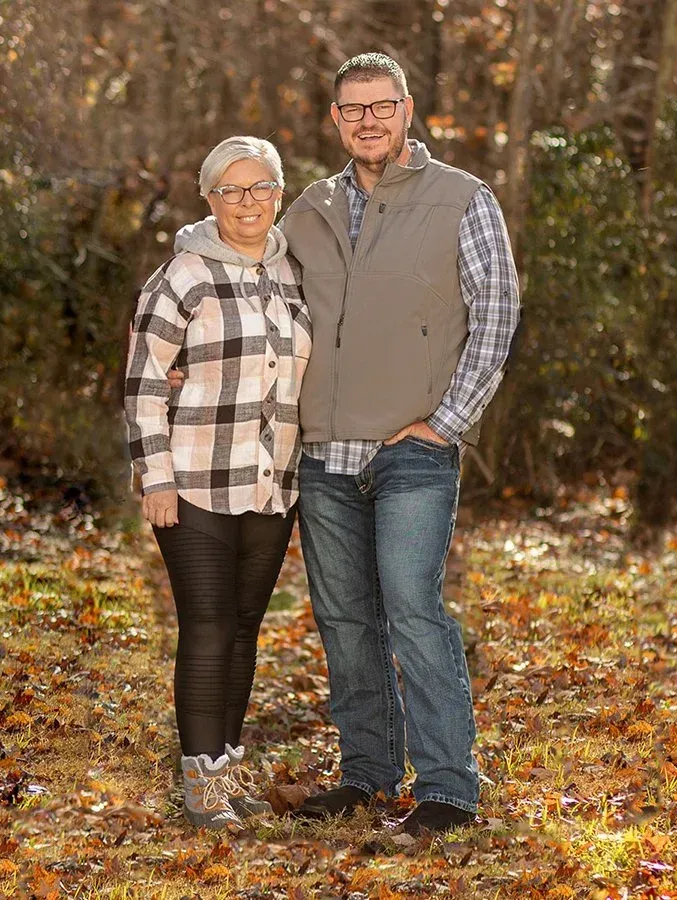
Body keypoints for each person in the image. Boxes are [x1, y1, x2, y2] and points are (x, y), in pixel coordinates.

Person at [279, 52, 521, 835]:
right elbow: (263, 305)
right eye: (353, 110)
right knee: (345, 619)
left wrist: (448, 422)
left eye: (381, 106)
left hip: (412, 450)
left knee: (415, 611)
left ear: (407, 110)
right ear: (335, 120)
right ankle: (367, 774)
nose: (368, 121)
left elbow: (496, 315)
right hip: (323, 453)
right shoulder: (306, 209)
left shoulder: (463, 198)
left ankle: (448, 788)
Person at [124, 136, 311, 830]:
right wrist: (155, 476)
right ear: (209, 198)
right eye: (231, 190)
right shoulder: (181, 277)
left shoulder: (294, 273)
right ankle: (201, 788)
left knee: (244, 627)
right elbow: (144, 384)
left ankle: (225, 773)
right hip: (196, 479)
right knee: (206, 627)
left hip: (271, 480)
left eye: (260, 187)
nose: (247, 202)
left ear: (280, 192)